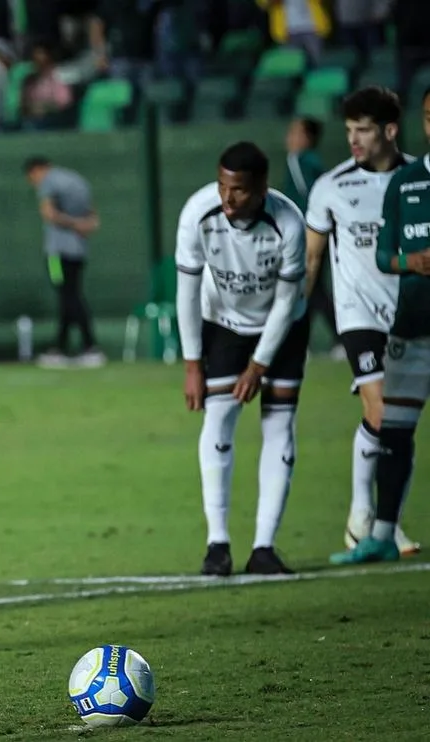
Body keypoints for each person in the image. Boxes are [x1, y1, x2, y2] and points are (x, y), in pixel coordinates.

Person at [175, 141, 309, 577]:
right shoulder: (198, 213)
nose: (228, 199)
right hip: (224, 325)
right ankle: (217, 545)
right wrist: (193, 363)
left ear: (262, 188)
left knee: (279, 424)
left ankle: (264, 548)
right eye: (222, 186)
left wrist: (260, 365)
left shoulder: (288, 222)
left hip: (282, 327)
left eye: (239, 191)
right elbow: (187, 291)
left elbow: (288, 302)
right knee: (217, 421)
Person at [303, 86, 421, 557]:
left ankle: (384, 522)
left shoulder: (418, 181)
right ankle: (363, 517)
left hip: (412, 316)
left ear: (389, 131)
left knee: (399, 429)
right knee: (382, 412)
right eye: (349, 130)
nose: (353, 139)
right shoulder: (331, 186)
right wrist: (295, 317)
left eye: (363, 130)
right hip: (358, 317)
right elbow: (313, 260)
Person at [23, 156, 105, 368]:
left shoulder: (49, 182)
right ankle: (61, 347)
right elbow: (94, 219)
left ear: (36, 170)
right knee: (70, 296)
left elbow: (49, 214)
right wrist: (83, 224)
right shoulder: (77, 180)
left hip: (57, 252)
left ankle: (89, 346)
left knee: (68, 297)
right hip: (79, 250)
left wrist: (74, 223)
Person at [283, 115, 343, 359]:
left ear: (307, 138)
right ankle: (304, 342)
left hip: (310, 232)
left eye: (295, 132)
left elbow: (313, 197)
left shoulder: (298, 160)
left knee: (311, 289)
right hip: (321, 230)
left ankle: (341, 339)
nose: (289, 138)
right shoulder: (313, 162)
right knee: (310, 290)